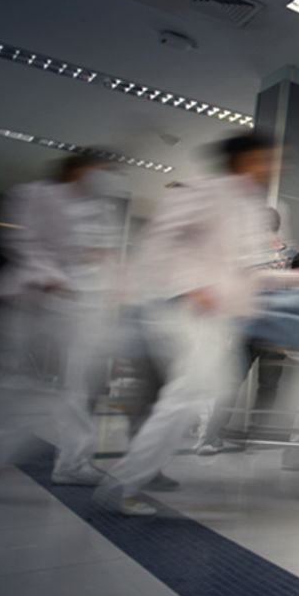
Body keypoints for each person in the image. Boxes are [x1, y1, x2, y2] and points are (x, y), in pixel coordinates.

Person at [93, 133, 277, 516]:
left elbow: (241, 268)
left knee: (207, 389)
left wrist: (290, 283)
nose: (270, 169)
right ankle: (124, 482)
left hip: (215, 317)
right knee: (189, 393)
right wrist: (191, 288)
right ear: (245, 159)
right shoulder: (202, 190)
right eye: (265, 160)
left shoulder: (248, 206)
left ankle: (131, 477)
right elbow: (161, 240)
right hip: (184, 309)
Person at [0, 153, 124, 501]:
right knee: (12, 387)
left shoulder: (100, 210)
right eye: (95, 172)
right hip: (32, 303)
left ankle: (73, 464)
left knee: (81, 387)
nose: (98, 181)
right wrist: (54, 279)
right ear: (76, 168)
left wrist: (111, 282)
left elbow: (103, 253)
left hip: (81, 309)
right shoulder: (33, 194)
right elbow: (26, 244)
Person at [195, 206, 299, 456]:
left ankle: (211, 437)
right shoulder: (292, 255)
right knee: (267, 386)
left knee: (232, 383)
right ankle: (256, 437)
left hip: (247, 327)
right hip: (275, 329)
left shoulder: (246, 255)